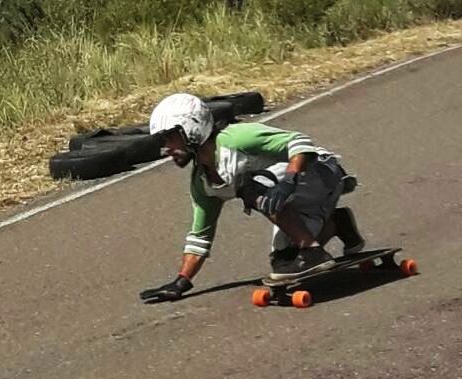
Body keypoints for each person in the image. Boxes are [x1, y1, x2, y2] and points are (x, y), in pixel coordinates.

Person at [139, 92, 364, 303]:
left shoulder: (236, 138)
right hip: (296, 196)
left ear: (191, 128)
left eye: (169, 137)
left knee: (251, 187)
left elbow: (301, 142)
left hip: (319, 174)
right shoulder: (202, 182)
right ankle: (338, 224)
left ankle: (313, 250)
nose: (166, 148)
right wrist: (181, 282)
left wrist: (288, 180)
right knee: (284, 260)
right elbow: (200, 237)